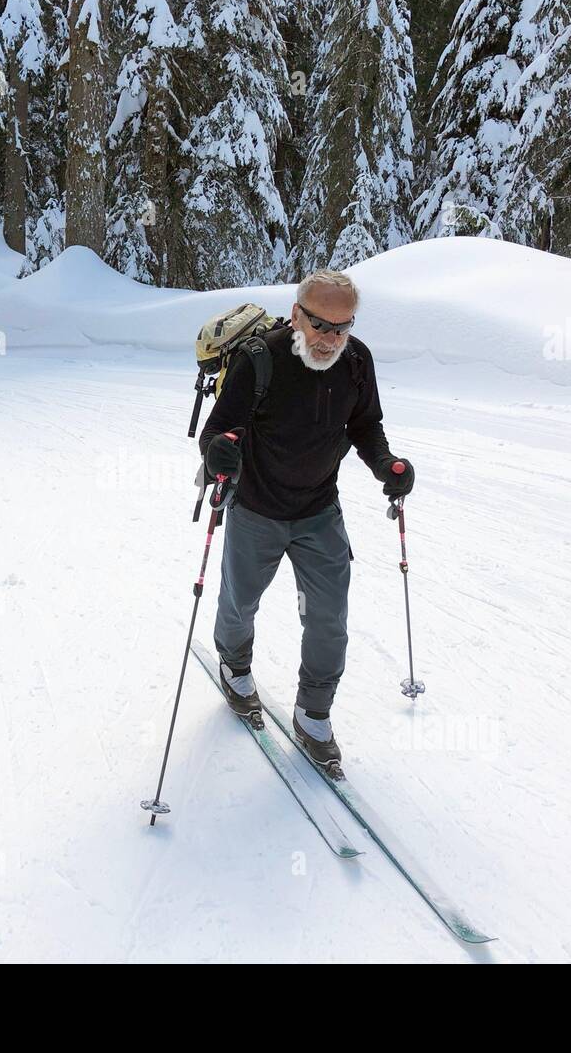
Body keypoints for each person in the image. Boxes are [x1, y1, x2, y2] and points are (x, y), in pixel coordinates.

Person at [198, 269, 414, 768]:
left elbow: (366, 425)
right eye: (321, 325)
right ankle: (234, 666)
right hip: (256, 507)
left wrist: (387, 465)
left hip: (319, 510)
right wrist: (220, 455)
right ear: (296, 315)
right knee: (239, 602)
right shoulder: (259, 360)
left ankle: (314, 711)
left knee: (329, 616)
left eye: (343, 327)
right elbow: (216, 432)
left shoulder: (356, 361)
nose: (331, 339)